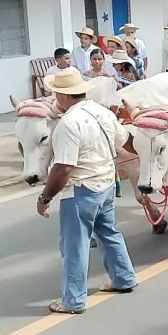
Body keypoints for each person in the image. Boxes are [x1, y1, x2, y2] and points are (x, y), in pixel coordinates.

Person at [36, 68, 138, 314]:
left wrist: (45, 197)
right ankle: (124, 278)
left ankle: (73, 300)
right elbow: (126, 141)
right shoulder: (103, 112)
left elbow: (63, 168)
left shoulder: (68, 123)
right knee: (108, 233)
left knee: (74, 245)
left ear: (62, 95)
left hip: (81, 190)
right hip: (105, 185)